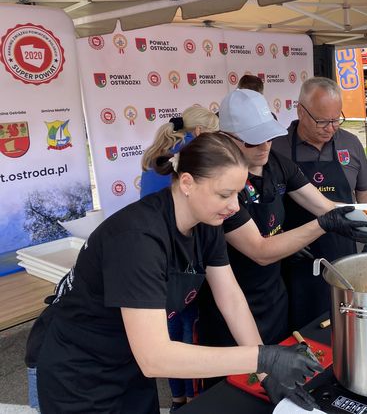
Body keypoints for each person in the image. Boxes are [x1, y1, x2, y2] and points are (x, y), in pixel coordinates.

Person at [27, 133, 324, 413]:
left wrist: (265, 373)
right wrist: (263, 357)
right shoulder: (137, 239)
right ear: (187, 182)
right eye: (224, 194)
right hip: (79, 371)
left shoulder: (206, 224)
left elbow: (232, 300)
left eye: (238, 193)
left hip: (129, 363)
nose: (235, 206)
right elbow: (155, 357)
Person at [196, 90, 367, 385]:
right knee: (236, 391)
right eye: (253, 141)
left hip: (274, 297)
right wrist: (323, 225)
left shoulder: (278, 164)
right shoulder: (220, 186)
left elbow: (325, 206)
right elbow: (260, 250)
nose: (264, 146)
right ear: (226, 138)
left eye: (269, 136)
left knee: (281, 381)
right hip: (231, 304)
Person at [271, 77, 367, 329]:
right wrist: (280, 239)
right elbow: (265, 208)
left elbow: (366, 193)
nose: (330, 128)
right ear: (300, 111)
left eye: (336, 119)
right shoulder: (277, 148)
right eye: (322, 121)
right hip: (295, 258)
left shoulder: (350, 143)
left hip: (343, 255)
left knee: (346, 324)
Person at [139, 106, 218, 411]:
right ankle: (194, 400)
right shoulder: (190, 159)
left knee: (171, 333)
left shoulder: (156, 157)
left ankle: (177, 400)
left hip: (156, 258)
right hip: (183, 256)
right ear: (199, 132)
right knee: (190, 332)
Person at [140, 106, 219, 197]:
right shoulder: (194, 150)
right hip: (169, 204)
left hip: (148, 204)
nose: (216, 139)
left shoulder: (166, 144)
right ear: (199, 130)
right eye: (214, 134)